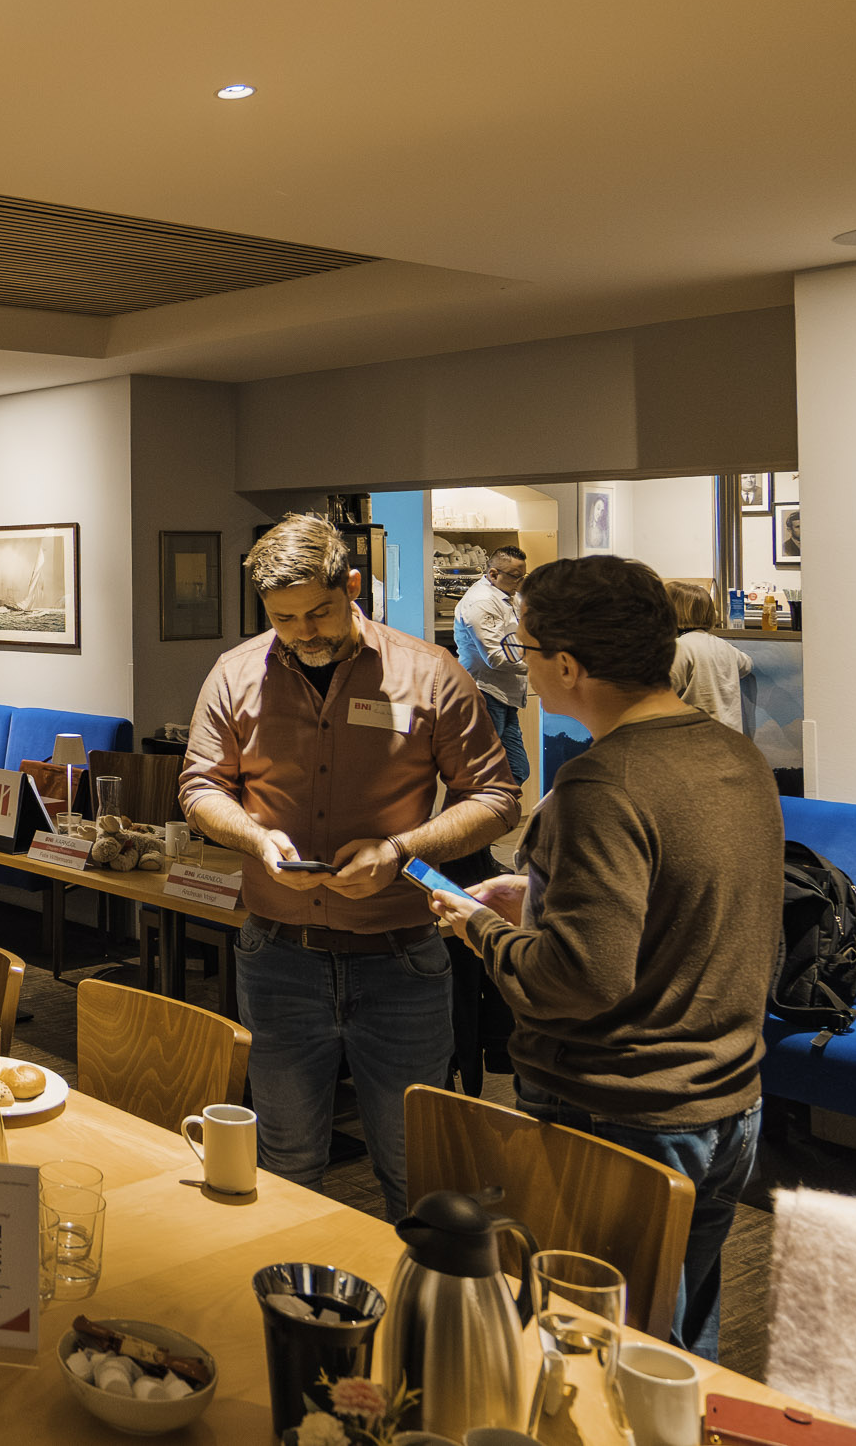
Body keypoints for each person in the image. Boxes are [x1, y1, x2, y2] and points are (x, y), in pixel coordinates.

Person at [425, 556, 782, 1359]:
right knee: (676, 1354)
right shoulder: (737, 757)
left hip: (619, 1112)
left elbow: (576, 981)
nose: (523, 666)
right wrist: (539, 897)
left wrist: (479, 928)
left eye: (527, 649)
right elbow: (692, 909)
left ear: (568, 664)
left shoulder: (597, 785)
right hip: (729, 1104)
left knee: (593, 1356)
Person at [179, 513, 520, 1217]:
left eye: (320, 612)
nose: (304, 633)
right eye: (284, 619)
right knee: (282, 1167)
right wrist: (255, 838)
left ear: (353, 586)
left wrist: (400, 852)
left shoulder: (429, 673)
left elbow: (496, 798)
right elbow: (199, 787)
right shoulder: (235, 673)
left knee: (414, 1173)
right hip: (277, 956)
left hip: (401, 962)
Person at [453, 545, 531, 784]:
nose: (520, 583)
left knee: (517, 771)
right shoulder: (481, 602)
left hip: (504, 696)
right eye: (515, 576)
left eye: (523, 576)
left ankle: (498, 808)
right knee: (483, 773)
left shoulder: (509, 596)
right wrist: (539, 665)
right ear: (494, 574)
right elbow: (496, 656)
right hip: (485, 694)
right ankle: (475, 809)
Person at [666, 579, 753, 732]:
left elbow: (662, 689)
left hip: (696, 737)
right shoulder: (723, 645)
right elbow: (747, 665)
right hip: (731, 736)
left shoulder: (680, 647)